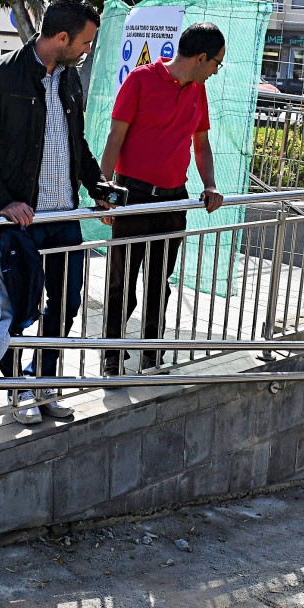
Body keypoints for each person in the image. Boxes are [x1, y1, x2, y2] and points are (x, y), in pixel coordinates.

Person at [0, 0, 107, 425]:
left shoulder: (69, 78)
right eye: (84, 42)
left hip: (64, 219)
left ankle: (42, 381)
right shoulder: (3, 78)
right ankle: (17, 391)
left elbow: (75, 143)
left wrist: (97, 186)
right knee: (19, 310)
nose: (87, 50)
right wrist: (5, 202)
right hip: (20, 222)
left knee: (65, 306)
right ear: (62, 37)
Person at [98, 23, 226, 377]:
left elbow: (201, 144)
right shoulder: (140, 80)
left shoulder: (197, 91)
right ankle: (111, 355)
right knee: (121, 280)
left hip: (173, 201)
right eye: (216, 63)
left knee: (159, 282)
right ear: (201, 57)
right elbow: (114, 139)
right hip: (132, 196)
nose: (216, 70)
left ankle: (152, 353)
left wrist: (211, 184)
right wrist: (105, 193)